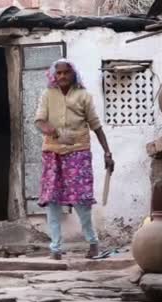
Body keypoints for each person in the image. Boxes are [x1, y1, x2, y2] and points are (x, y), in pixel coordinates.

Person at [34, 58, 114, 260]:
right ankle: (55, 248)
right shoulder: (47, 94)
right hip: (52, 152)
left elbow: (96, 126)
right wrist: (48, 128)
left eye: (65, 72)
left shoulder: (84, 96)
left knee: (81, 200)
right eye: (58, 73)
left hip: (78, 152)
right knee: (52, 200)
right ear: (54, 75)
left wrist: (107, 152)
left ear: (73, 74)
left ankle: (93, 243)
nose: (62, 76)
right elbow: (39, 120)